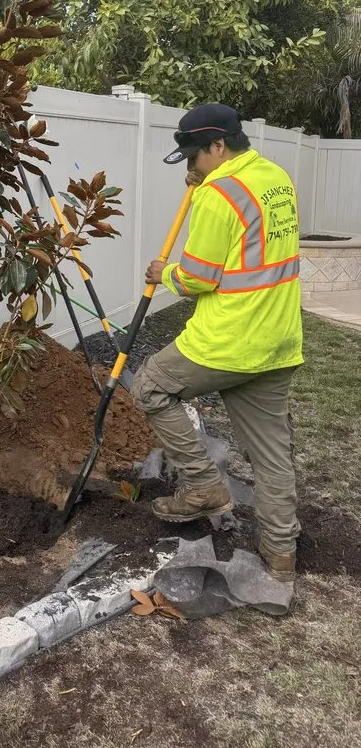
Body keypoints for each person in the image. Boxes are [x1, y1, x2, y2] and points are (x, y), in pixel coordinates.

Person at [131, 103, 302, 583]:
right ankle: (280, 556)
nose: (190, 165)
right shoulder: (276, 178)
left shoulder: (217, 195)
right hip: (278, 339)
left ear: (218, 146)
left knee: (150, 386)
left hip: (228, 341)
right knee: (272, 456)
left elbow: (199, 277)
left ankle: (204, 486)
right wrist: (202, 183)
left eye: (194, 155)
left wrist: (162, 274)